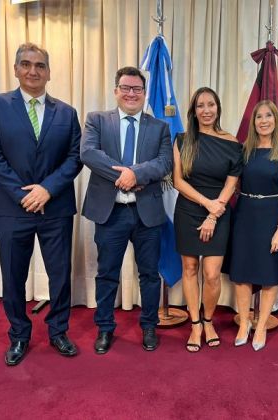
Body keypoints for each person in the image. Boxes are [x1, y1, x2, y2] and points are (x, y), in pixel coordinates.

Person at [0, 43, 83, 366]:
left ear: (49, 72)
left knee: (60, 274)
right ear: (15, 69)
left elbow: (75, 157)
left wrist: (47, 189)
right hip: (12, 208)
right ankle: (19, 335)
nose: (32, 71)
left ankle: (58, 331)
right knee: (13, 276)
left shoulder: (66, 113)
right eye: (26, 64)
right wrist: (24, 194)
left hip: (56, 207)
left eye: (40, 65)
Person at [81, 66, 173, 354]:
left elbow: (164, 162)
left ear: (144, 93)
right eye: (126, 87)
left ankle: (149, 326)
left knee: (149, 275)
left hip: (147, 214)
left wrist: (136, 174)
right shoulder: (97, 120)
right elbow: (89, 153)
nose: (131, 93)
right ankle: (105, 328)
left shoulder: (160, 127)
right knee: (107, 273)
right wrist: (126, 176)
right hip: (111, 213)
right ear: (116, 90)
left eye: (137, 89)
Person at [173, 87, 242, 352]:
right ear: (193, 111)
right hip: (188, 210)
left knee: (212, 274)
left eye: (210, 104)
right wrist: (206, 204)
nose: (206, 110)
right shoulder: (182, 140)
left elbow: (231, 184)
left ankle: (208, 320)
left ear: (218, 108)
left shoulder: (232, 142)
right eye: (200, 106)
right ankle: (195, 324)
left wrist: (214, 213)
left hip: (220, 212)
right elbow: (178, 181)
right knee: (190, 268)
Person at [229, 100, 278, 351]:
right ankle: (244, 323)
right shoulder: (244, 149)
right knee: (241, 273)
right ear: (253, 122)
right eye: (259, 117)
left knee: (270, 273)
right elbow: (234, 183)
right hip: (245, 214)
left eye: (269, 116)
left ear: (276, 120)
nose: (264, 121)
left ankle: (260, 327)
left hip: (272, 216)